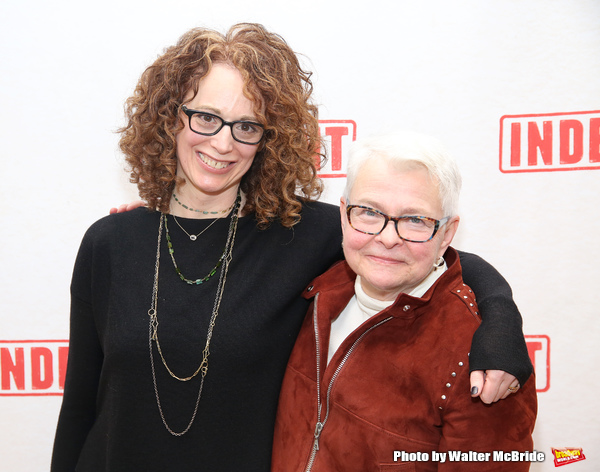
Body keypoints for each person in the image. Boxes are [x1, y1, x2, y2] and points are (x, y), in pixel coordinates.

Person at [51, 24, 532, 472]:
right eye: (206, 117)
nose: (223, 143)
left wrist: (501, 323)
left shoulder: (300, 232)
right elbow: (80, 405)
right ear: (169, 117)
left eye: (247, 126)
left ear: (267, 139)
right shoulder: (110, 243)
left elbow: (429, 252)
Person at [271, 131, 537, 472]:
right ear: (343, 213)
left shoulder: (481, 359)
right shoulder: (316, 286)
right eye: (368, 211)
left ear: (447, 234)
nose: (387, 238)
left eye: (415, 220)